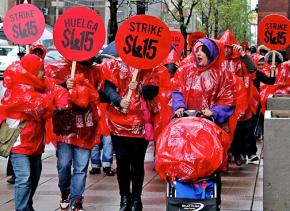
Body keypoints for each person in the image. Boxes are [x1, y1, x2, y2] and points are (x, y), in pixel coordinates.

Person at [171, 38, 236, 206]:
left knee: (211, 167)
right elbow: (177, 90)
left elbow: (228, 100)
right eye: (196, 50)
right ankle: (186, 200)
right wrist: (179, 107)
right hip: (188, 128)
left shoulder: (222, 74)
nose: (198, 54)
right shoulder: (185, 72)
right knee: (185, 164)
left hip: (211, 130)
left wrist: (214, 112)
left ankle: (213, 202)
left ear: (211, 53)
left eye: (202, 51)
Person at [0, 54, 64, 211]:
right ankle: (22, 208)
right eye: (41, 69)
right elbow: (38, 107)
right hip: (19, 143)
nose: (44, 73)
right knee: (24, 178)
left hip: (36, 143)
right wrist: (52, 106)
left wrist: (63, 102)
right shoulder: (18, 88)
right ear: (32, 71)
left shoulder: (41, 85)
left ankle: (27, 205)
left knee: (34, 177)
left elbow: (59, 92)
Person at [102, 48, 159, 211]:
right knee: (122, 162)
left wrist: (141, 87)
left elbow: (155, 90)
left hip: (140, 124)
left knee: (137, 163)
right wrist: (119, 101)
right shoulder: (115, 65)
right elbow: (108, 88)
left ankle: (136, 199)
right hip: (119, 125)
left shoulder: (149, 67)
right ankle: (124, 199)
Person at [45, 57, 101, 211]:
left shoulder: (95, 71)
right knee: (63, 165)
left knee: (81, 167)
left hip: (85, 127)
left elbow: (101, 93)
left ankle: (76, 199)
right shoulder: (59, 67)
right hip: (66, 127)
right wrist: (64, 85)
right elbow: (48, 89)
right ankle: (65, 192)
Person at [219, 29, 258, 166]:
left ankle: (238, 153)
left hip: (240, 100)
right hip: (223, 101)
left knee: (241, 129)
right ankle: (225, 155)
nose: (227, 51)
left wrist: (243, 55)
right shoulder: (217, 60)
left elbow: (253, 69)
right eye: (224, 47)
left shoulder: (241, 60)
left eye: (229, 47)